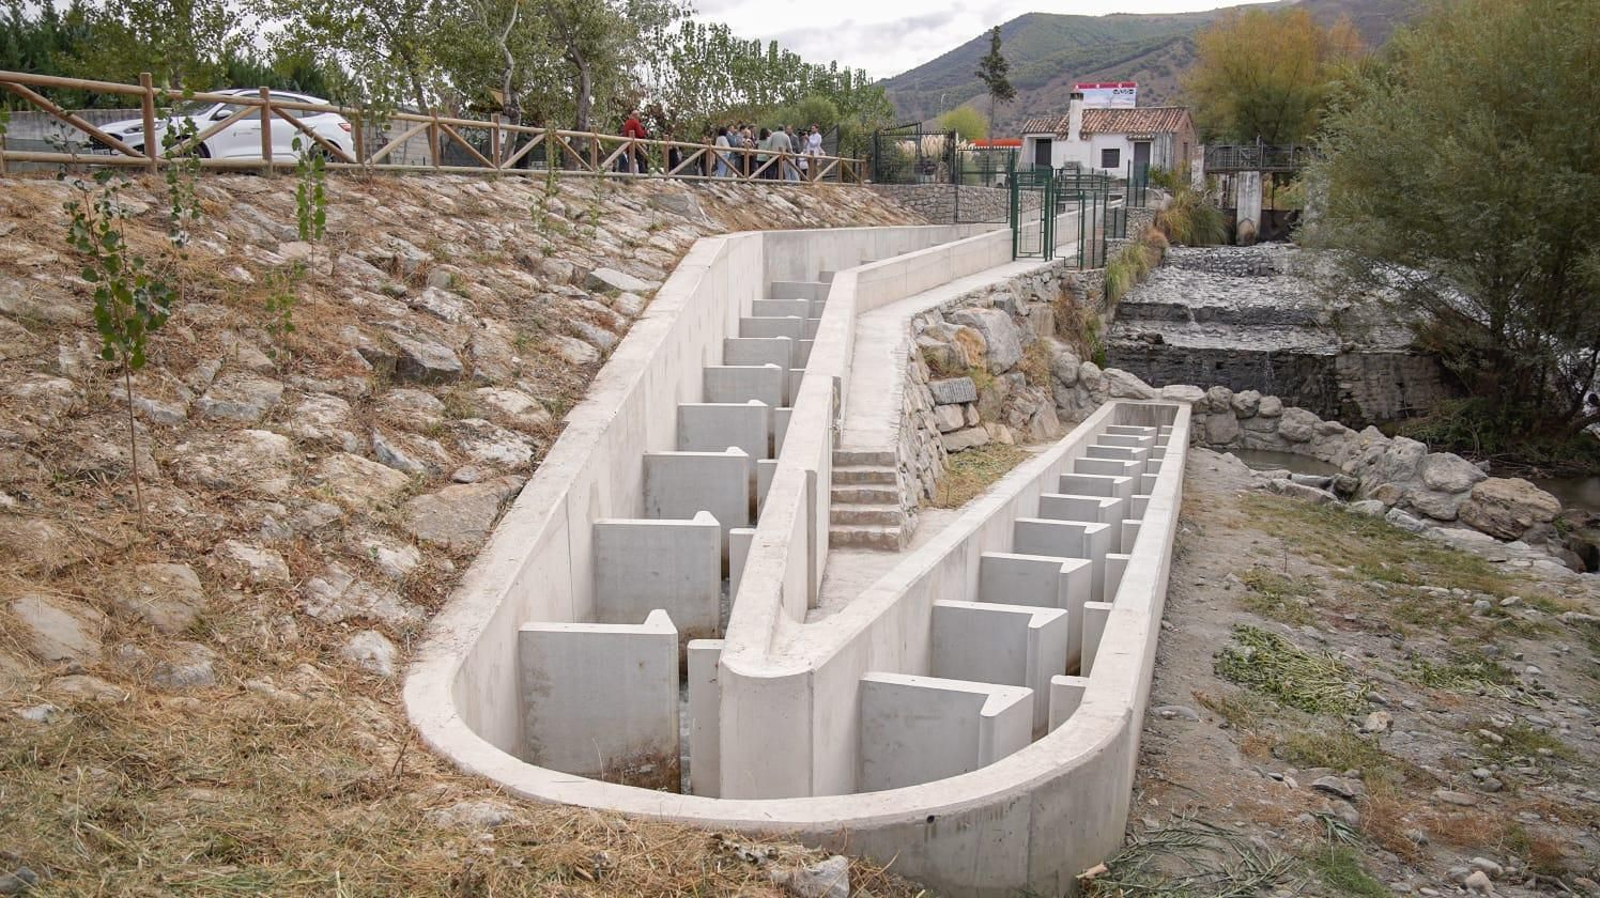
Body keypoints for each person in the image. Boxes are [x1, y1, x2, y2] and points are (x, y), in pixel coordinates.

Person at [621, 109, 647, 174]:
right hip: (636, 145)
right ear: (636, 116)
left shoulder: (626, 123)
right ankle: (643, 175)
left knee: (630, 160)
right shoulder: (636, 122)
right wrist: (645, 132)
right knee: (641, 159)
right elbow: (640, 134)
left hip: (627, 145)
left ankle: (628, 174)